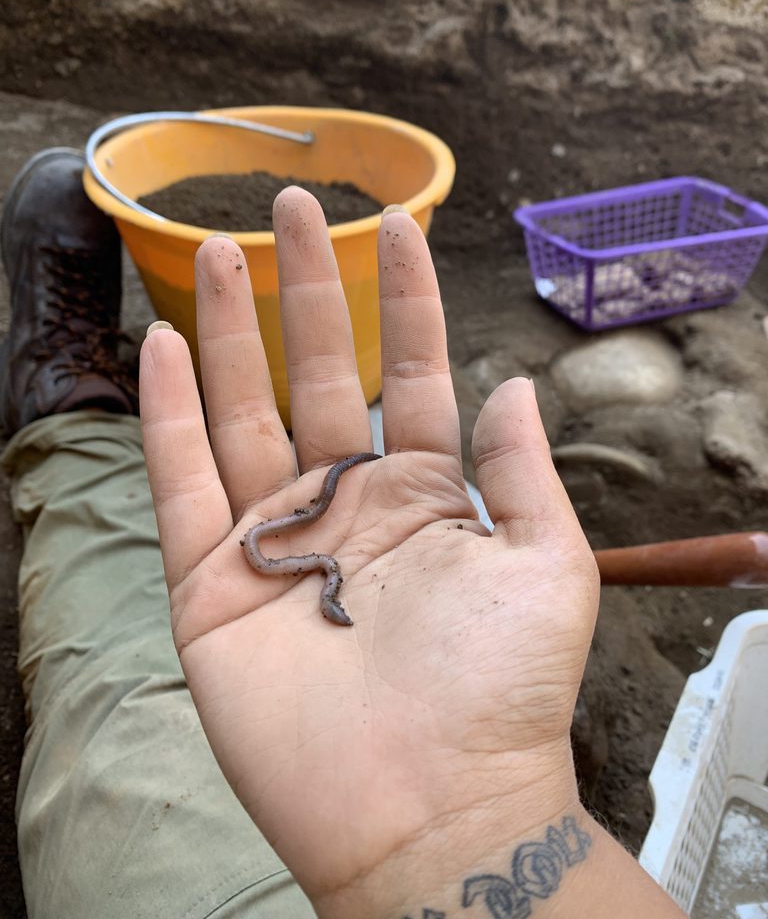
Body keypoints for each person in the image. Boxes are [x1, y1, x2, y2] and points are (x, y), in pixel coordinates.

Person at [0, 148, 685, 918]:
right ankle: (77, 431)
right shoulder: (315, 569)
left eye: (334, 600)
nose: (338, 599)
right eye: (336, 598)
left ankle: (73, 436)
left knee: (116, 694)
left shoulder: (316, 573)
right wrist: (491, 829)